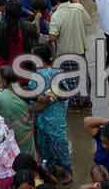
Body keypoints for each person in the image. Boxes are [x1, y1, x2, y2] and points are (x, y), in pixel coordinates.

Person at [29, 44, 72, 184]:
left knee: (44, 147)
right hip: (57, 118)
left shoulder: (34, 79)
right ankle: (66, 172)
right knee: (60, 146)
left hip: (42, 120)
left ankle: (50, 171)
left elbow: (32, 102)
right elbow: (66, 95)